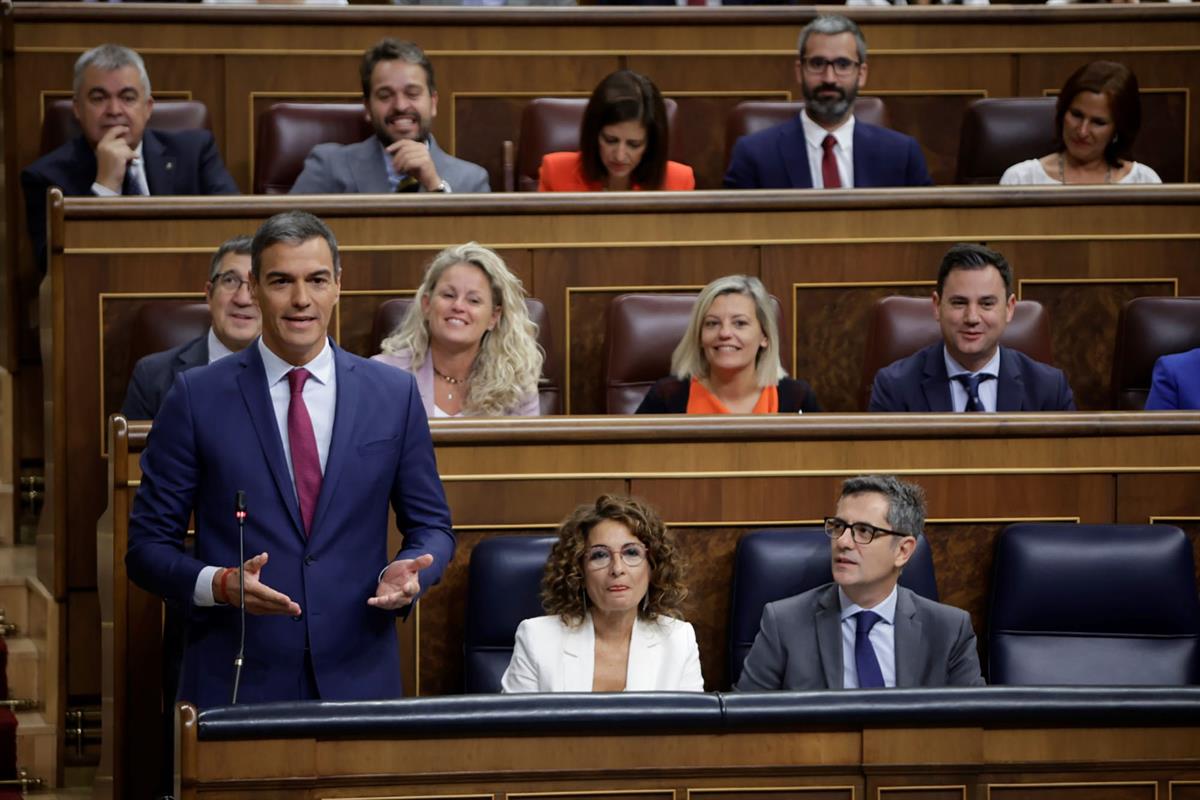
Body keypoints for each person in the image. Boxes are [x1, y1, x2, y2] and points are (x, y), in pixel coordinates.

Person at [125, 210, 455, 709]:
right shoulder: (196, 396)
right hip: (237, 680)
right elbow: (146, 548)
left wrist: (412, 570)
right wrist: (216, 584)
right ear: (255, 289)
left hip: (359, 678)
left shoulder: (392, 394)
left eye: (317, 280)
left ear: (338, 286)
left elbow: (432, 525)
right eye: (282, 281)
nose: (302, 299)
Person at [736, 475, 985, 691]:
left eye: (864, 531)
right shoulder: (784, 623)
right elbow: (744, 721)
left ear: (903, 550)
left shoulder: (949, 631)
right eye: (838, 526)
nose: (843, 541)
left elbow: (973, 727)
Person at [20, 43, 238, 271]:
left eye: (128, 97)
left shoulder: (195, 152)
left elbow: (235, 235)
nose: (114, 110)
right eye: (98, 98)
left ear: (148, 107)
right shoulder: (45, 178)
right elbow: (52, 268)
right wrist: (105, 188)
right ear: (77, 108)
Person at [501, 495, 704, 692]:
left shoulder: (678, 640)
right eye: (600, 555)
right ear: (579, 570)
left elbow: (691, 727)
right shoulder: (537, 639)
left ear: (653, 567)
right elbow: (513, 725)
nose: (617, 568)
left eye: (631, 552)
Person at [723, 16, 931, 190]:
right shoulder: (754, 154)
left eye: (842, 64)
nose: (830, 78)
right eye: (817, 63)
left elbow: (928, 230)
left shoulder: (902, 154)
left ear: (861, 74)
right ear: (799, 71)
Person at [869, 244, 1075, 412]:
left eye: (986, 304)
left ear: (1009, 308)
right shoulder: (895, 387)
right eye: (959, 303)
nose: (972, 318)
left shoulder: (1050, 389)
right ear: (937, 306)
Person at [291, 39, 490, 194]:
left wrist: (435, 186)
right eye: (385, 96)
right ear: (368, 107)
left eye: (412, 93)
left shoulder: (472, 180)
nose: (401, 106)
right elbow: (282, 237)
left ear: (433, 103)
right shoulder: (328, 166)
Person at [374, 243, 542, 417]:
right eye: (448, 295)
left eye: (474, 300)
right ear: (427, 305)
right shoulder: (382, 375)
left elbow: (528, 445)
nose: (458, 306)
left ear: (494, 317)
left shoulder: (516, 387)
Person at [636, 275, 821, 414]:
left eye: (740, 323)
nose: (724, 333)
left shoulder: (797, 398)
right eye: (712, 323)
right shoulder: (667, 397)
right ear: (700, 336)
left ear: (765, 336)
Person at [122, 235, 259, 419]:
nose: (243, 299)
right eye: (230, 280)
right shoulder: (152, 376)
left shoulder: (295, 374)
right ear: (209, 294)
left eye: (255, 285)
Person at [1000, 62, 1161, 185]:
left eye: (1098, 122)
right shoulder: (1021, 180)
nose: (1082, 131)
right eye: (1076, 115)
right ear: (1063, 113)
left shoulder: (1144, 181)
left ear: (1117, 129)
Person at [538, 70, 695, 192]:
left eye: (634, 144)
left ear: (650, 144)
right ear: (594, 134)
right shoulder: (555, 172)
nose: (620, 156)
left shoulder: (679, 181)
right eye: (610, 140)